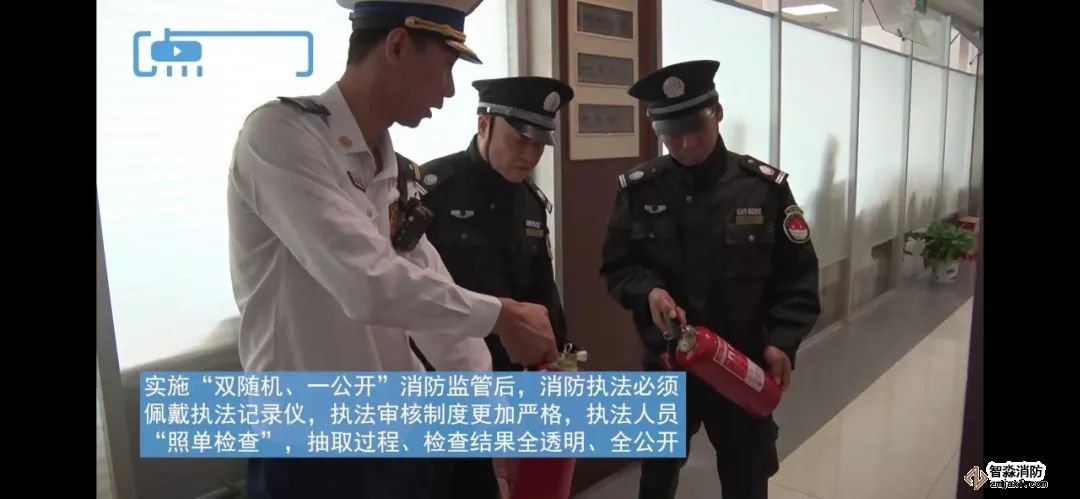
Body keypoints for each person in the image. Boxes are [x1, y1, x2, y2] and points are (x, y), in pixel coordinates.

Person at [226, 1, 557, 497]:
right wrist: (501, 316)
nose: (449, 91)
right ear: (398, 46)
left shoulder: (394, 169)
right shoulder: (281, 137)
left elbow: (429, 292)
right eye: (445, 67)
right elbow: (368, 284)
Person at [598, 60, 822, 499]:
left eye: (694, 129)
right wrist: (649, 291)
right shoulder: (640, 190)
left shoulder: (763, 188)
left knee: (746, 479)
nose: (684, 143)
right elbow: (618, 266)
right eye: (671, 133)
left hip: (741, 364)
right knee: (656, 480)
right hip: (668, 366)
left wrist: (783, 341)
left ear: (717, 113)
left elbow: (798, 275)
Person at [412, 76, 575, 498]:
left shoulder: (530, 202)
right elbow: (406, 292)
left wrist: (562, 360)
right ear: (484, 124)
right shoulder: (431, 191)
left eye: (539, 144)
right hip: (444, 382)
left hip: (510, 379)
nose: (530, 155)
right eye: (520, 140)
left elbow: (542, 291)